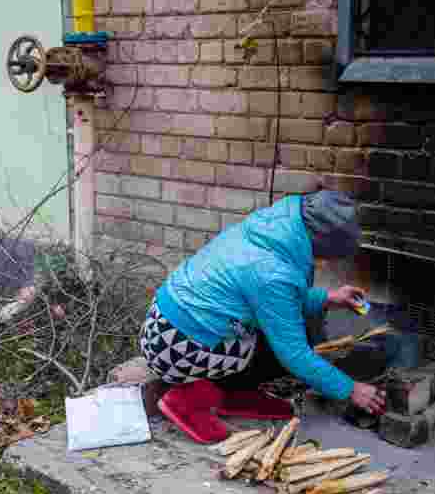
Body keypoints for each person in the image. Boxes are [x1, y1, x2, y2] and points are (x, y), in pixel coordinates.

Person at [140, 189, 386, 444]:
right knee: (292, 342)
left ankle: (235, 391)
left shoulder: (273, 226)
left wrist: (328, 298)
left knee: (285, 325)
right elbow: (294, 353)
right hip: (180, 348)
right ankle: (189, 400)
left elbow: (278, 298)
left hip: (162, 326)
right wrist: (351, 389)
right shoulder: (273, 272)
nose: (325, 262)